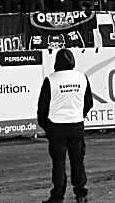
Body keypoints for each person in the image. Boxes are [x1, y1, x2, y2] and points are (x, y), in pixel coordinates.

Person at [37, 48, 93, 203]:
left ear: (56, 61)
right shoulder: (82, 78)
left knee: (58, 164)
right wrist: (79, 115)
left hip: (56, 126)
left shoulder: (51, 79)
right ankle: (81, 194)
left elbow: (42, 107)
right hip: (76, 126)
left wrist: (46, 126)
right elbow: (89, 102)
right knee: (78, 161)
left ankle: (57, 196)